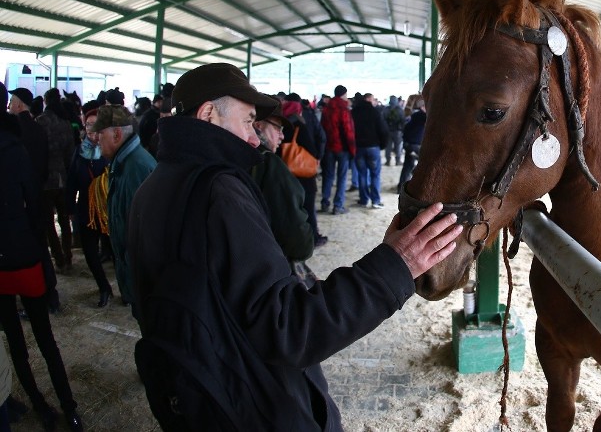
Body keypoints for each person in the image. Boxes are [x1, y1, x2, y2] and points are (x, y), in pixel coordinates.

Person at [127, 63, 462, 430]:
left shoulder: (152, 187)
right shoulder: (219, 193)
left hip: (200, 398)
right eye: (247, 121)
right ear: (208, 114)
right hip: (255, 407)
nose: (255, 139)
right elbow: (288, 328)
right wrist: (396, 265)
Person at [0, 83, 83, 432]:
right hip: (23, 254)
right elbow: (34, 206)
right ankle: (68, 407)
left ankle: (38, 404)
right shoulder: (12, 146)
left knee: (13, 339)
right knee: (45, 338)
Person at [91, 104, 156, 312]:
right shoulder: (124, 163)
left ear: (117, 134)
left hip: (143, 281)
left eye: (100, 133)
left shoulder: (135, 168)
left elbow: (145, 235)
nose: (96, 139)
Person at [251, 102, 317, 284]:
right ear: (258, 125)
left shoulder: (229, 156)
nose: (282, 135)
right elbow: (296, 235)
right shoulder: (268, 163)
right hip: (268, 265)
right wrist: (305, 245)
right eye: (278, 128)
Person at [66, 107, 115, 308]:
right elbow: (71, 182)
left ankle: (128, 290)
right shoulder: (79, 152)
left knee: (115, 252)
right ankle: (104, 288)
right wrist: (70, 208)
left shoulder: (111, 151)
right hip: (86, 210)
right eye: (88, 125)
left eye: (97, 126)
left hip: (108, 210)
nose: (92, 131)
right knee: (90, 253)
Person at [35, 88, 75, 274]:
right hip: (63, 177)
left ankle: (58, 259)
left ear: (45, 101)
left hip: (46, 179)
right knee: (65, 218)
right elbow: (70, 152)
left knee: (49, 222)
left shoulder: (41, 122)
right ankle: (68, 256)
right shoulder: (66, 122)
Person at [281, 93, 327, 247]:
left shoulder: (280, 124)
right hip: (303, 174)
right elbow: (312, 149)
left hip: (286, 174)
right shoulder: (299, 124)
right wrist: (317, 157)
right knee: (308, 207)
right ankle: (313, 237)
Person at [320, 84, 356, 215]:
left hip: (329, 147)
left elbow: (322, 130)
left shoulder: (326, 109)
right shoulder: (344, 110)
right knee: (341, 177)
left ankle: (325, 202)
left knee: (328, 176)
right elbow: (348, 132)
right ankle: (338, 205)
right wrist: (352, 150)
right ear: (344, 94)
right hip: (342, 149)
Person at [352, 93, 388, 209]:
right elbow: (383, 130)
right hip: (373, 147)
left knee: (362, 174)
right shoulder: (375, 112)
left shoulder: (354, 112)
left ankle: (363, 200)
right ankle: (375, 201)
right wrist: (382, 145)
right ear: (368, 100)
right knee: (375, 175)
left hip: (358, 147)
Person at [398, 97, 426, 193]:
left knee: (408, 166)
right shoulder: (422, 116)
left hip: (409, 144)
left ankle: (401, 187)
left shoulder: (414, 115)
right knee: (422, 166)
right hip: (415, 145)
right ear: (423, 107)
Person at [383, 96, 405, 166]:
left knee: (388, 147)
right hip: (397, 131)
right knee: (398, 147)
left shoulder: (386, 109)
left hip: (388, 131)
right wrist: (402, 129)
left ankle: (388, 161)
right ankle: (397, 161)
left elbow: (383, 120)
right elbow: (403, 121)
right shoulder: (400, 110)